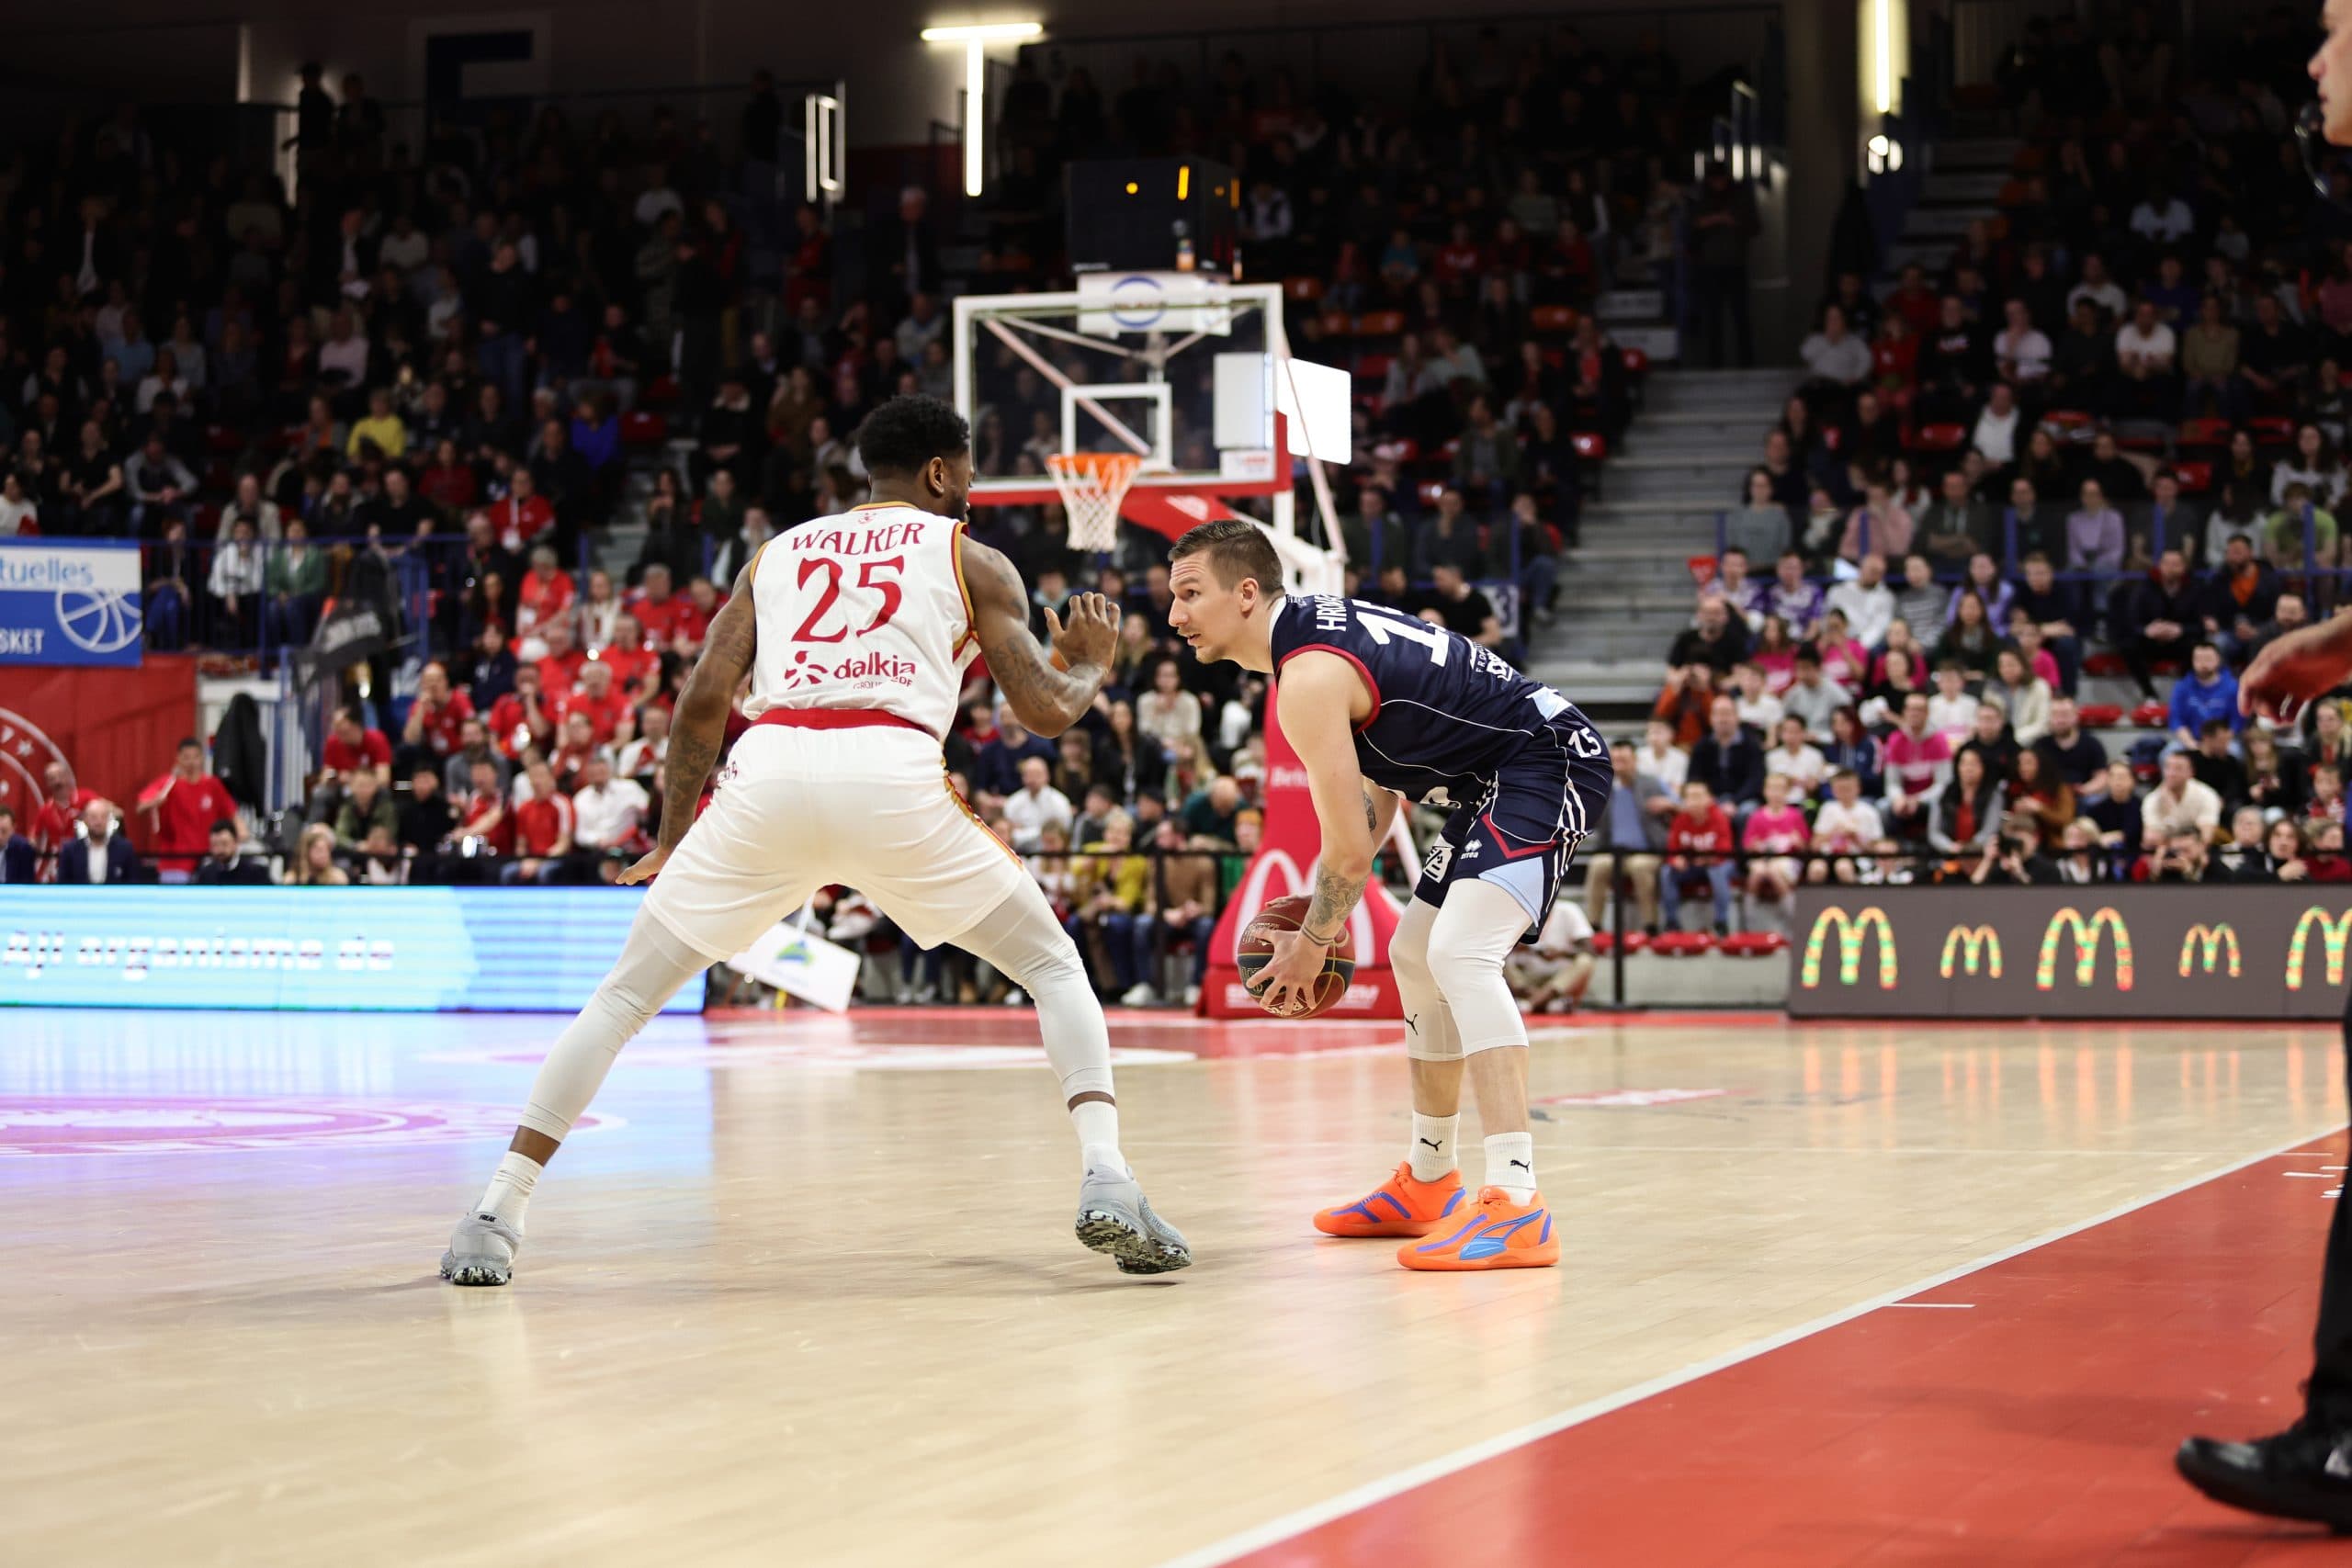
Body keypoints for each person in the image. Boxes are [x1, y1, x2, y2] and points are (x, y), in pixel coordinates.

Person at [440, 396, 1190, 1287]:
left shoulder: (775, 554)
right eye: (970, 471)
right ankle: (1106, 1171)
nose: (975, 486)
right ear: (941, 473)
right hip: (889, 769)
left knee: (620, 1001)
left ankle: (498, 1211)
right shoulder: (972, 559)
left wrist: (675, 836)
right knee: (1052, 967)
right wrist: (1092, 664)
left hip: (769, 769)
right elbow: (1039, 712)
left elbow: (700, 704)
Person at [1167, 515, 1611, 1271]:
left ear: (1246, 593)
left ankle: (1516, 1203)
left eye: (1188, 594)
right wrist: (1321, 918)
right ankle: (1431, 1181)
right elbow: (1378, 799)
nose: (1174, 616)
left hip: (1546, 759)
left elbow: (1344, 850)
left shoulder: (1305, 677)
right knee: (1415, 952)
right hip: (1485, 781)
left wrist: (1312, 943)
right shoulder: (1314, 638)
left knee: (1462, 952)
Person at [56, 800, 137, 884]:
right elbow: (62, 884)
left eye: (103, 817)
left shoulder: (124, 849)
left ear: (108, 819)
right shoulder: (70, 850)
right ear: (85, 820)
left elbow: (133, 883)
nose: (99, 822)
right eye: (94, 817)